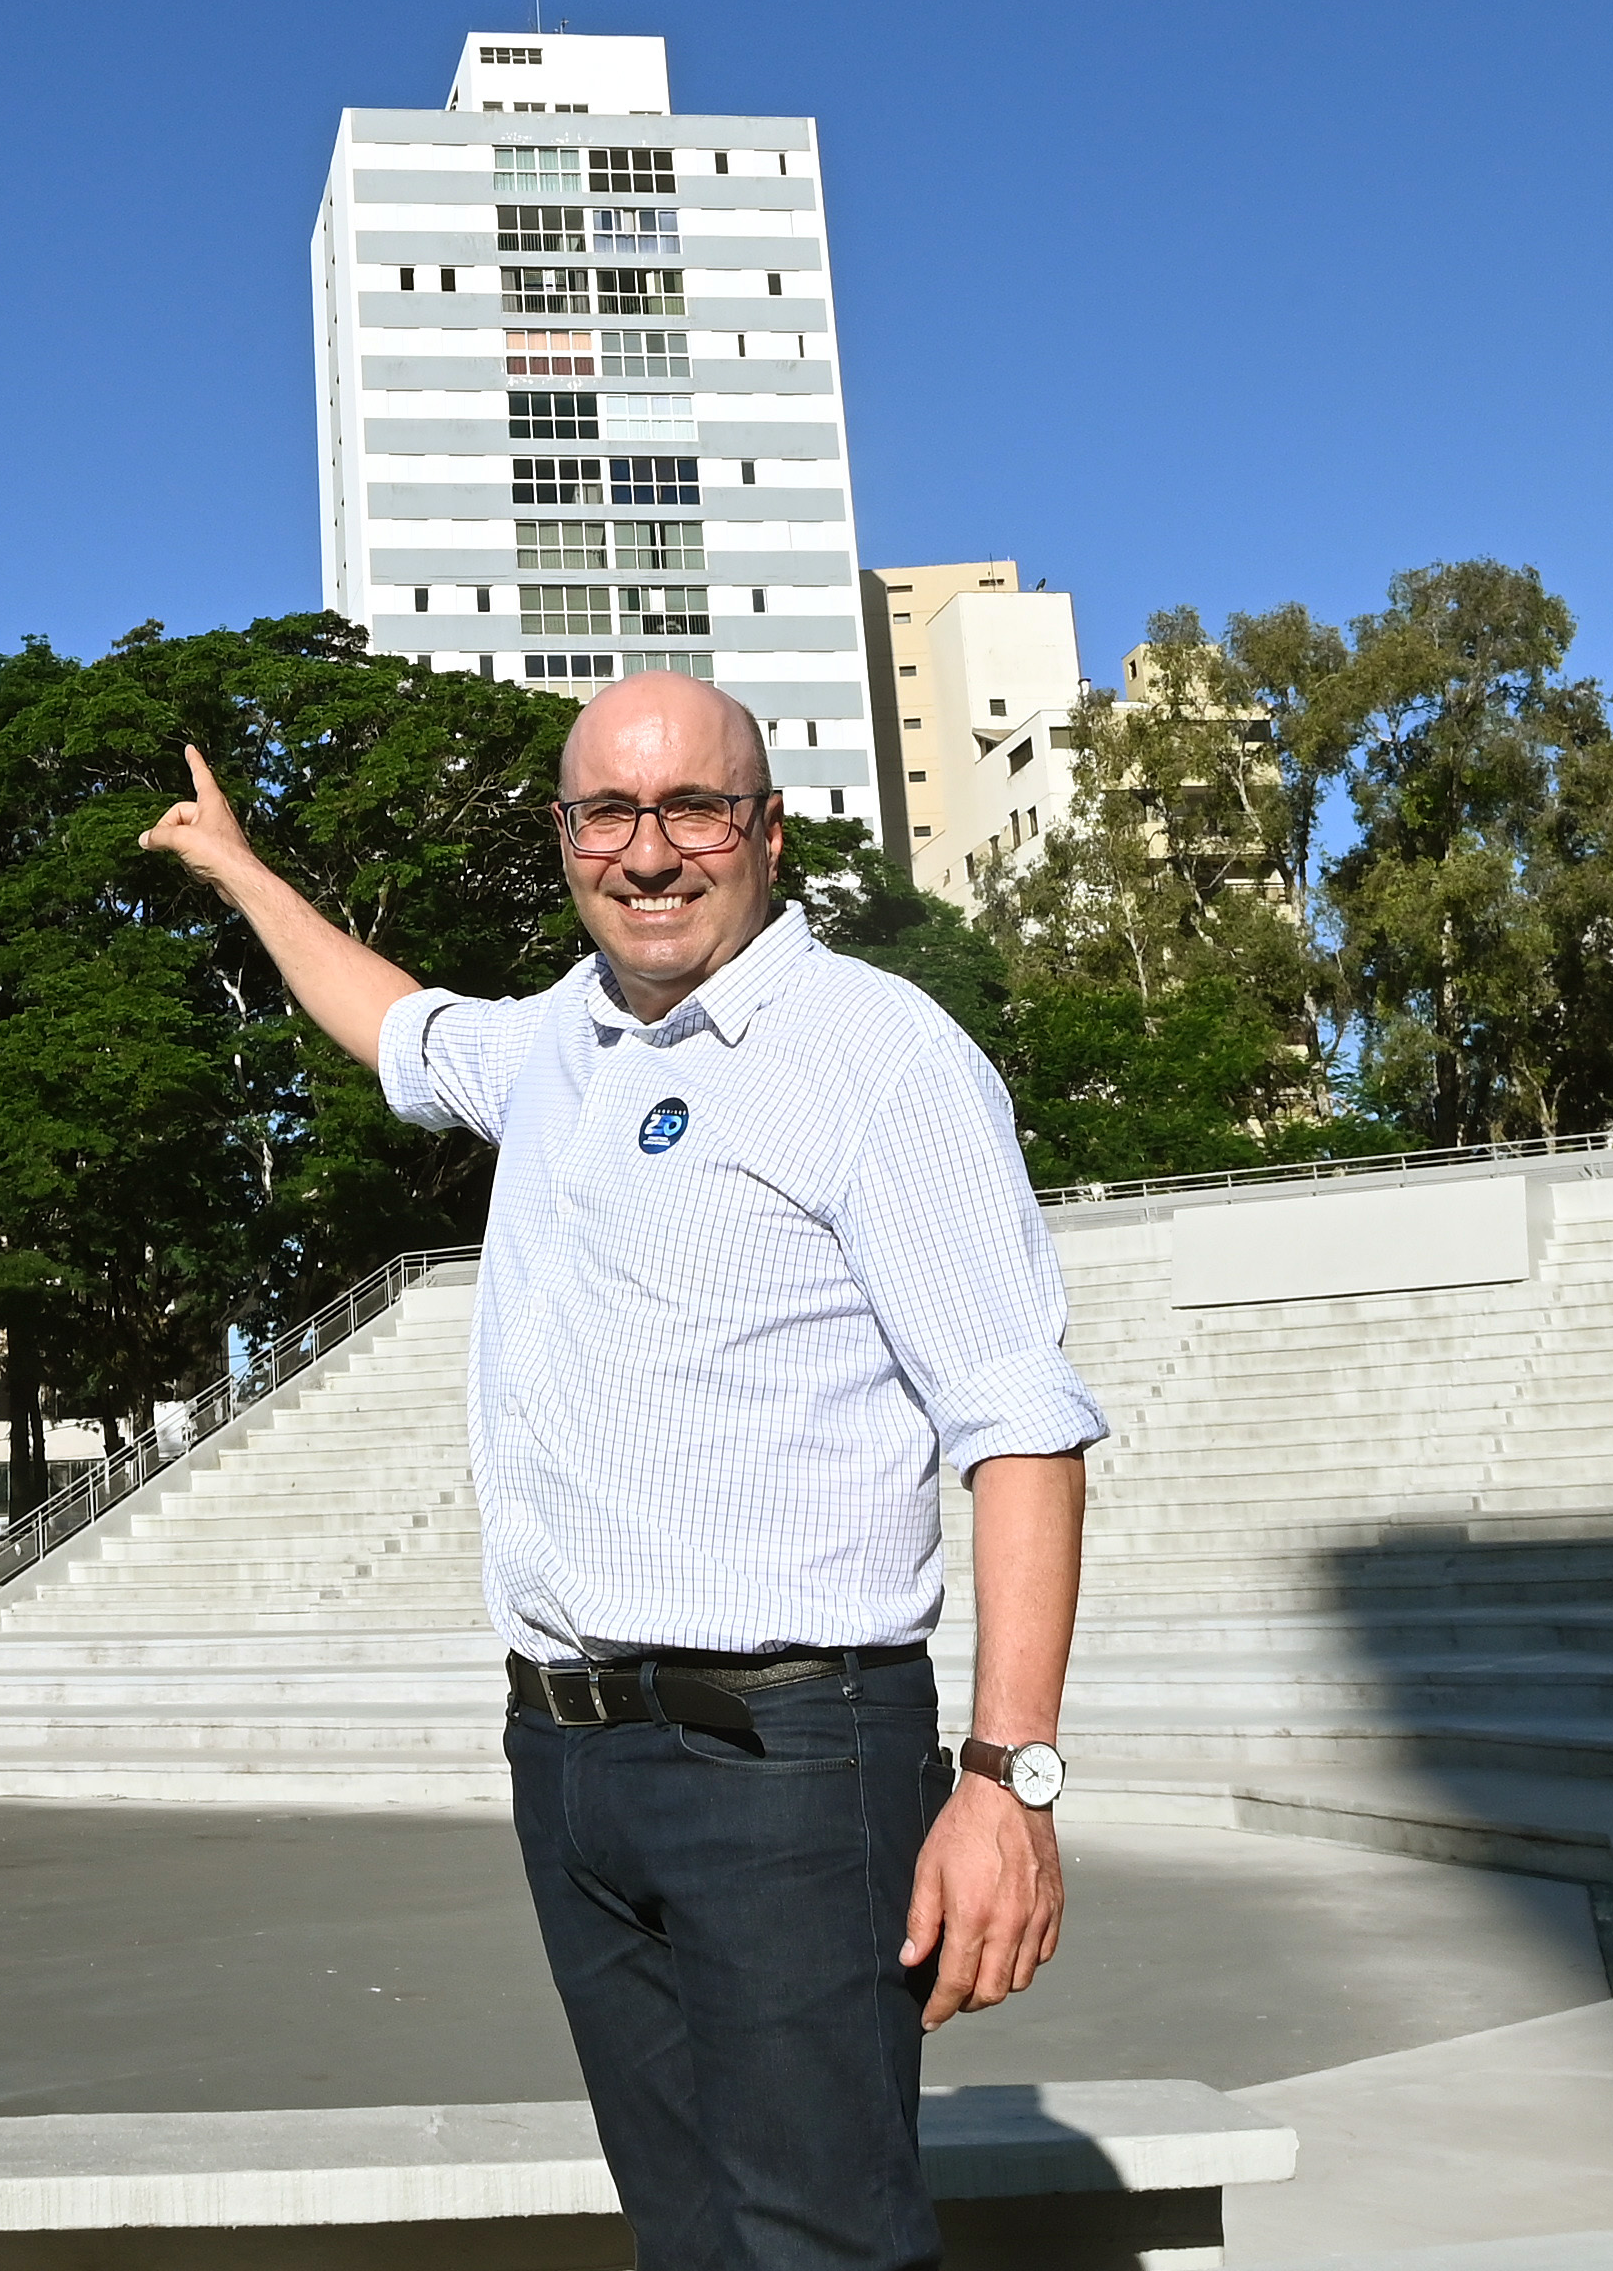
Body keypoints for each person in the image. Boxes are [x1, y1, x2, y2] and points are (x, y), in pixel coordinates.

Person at [141, 670, 1102, 2271]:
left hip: (791, 1757)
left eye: (694, 809)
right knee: (688, 2237)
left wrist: (1009, 1783)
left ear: (769, 833)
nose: (649, 853)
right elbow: (392, 1021)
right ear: (566, 835)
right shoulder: (555, 1049)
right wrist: (242, 872)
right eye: (609, 813)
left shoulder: (880, 1057)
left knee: (821, 2241)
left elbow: (1019, 1425)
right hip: (573, 1758)